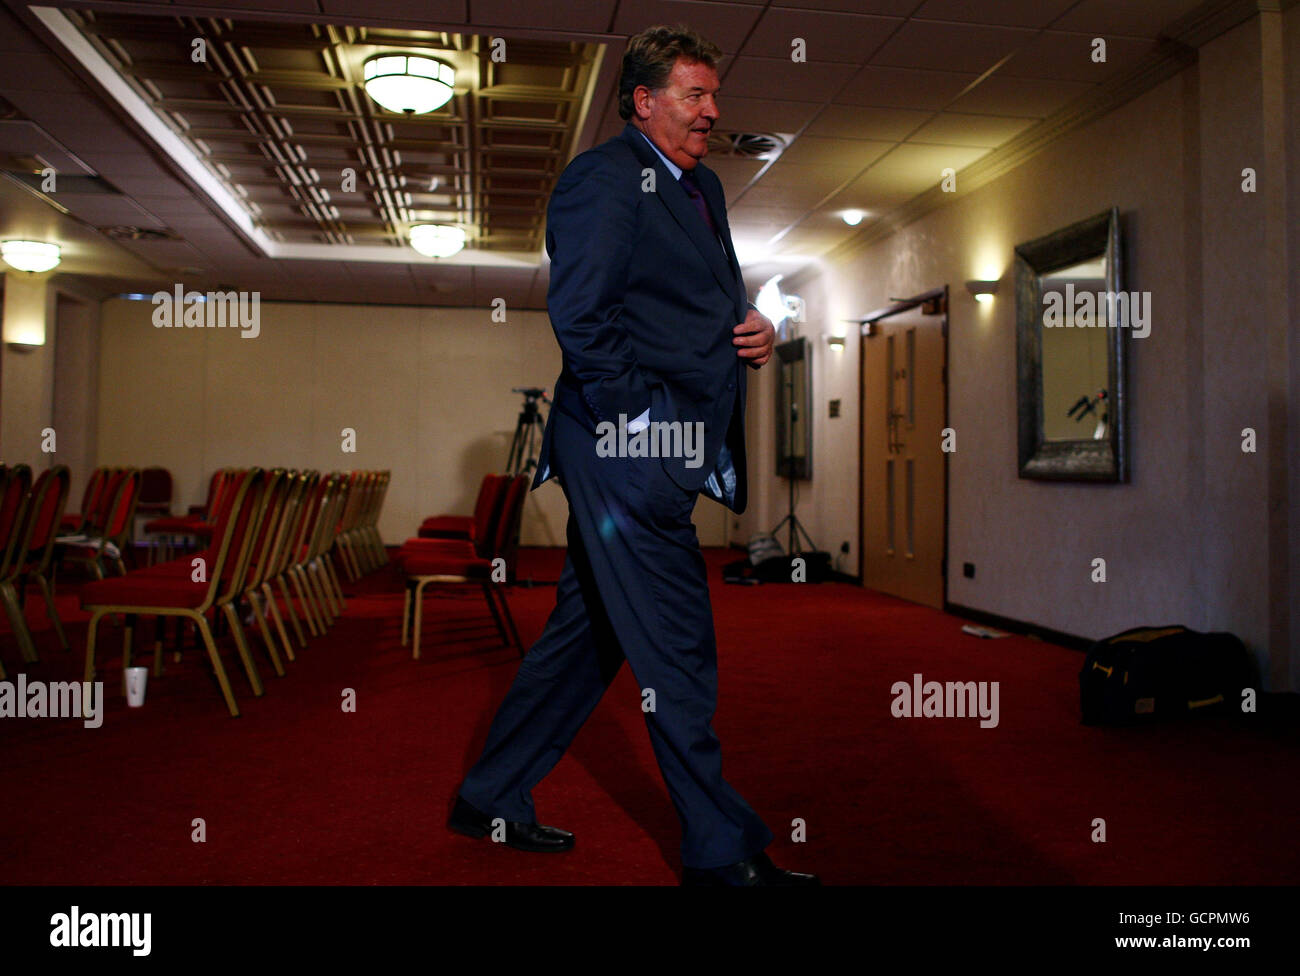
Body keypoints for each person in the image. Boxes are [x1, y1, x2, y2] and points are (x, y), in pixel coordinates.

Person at [449, 24, 819, 887]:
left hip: (657, 445)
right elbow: (583, 319)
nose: (713, 111)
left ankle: (491, 793)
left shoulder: (705, 189)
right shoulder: (602, 179)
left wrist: (751, 332)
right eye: (695, 95)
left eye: (714, 95)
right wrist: (643, 427)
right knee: (679, 644)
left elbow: (695, 303)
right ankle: (720, 851)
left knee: (593, 635)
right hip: (626, 449)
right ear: (644, 102)